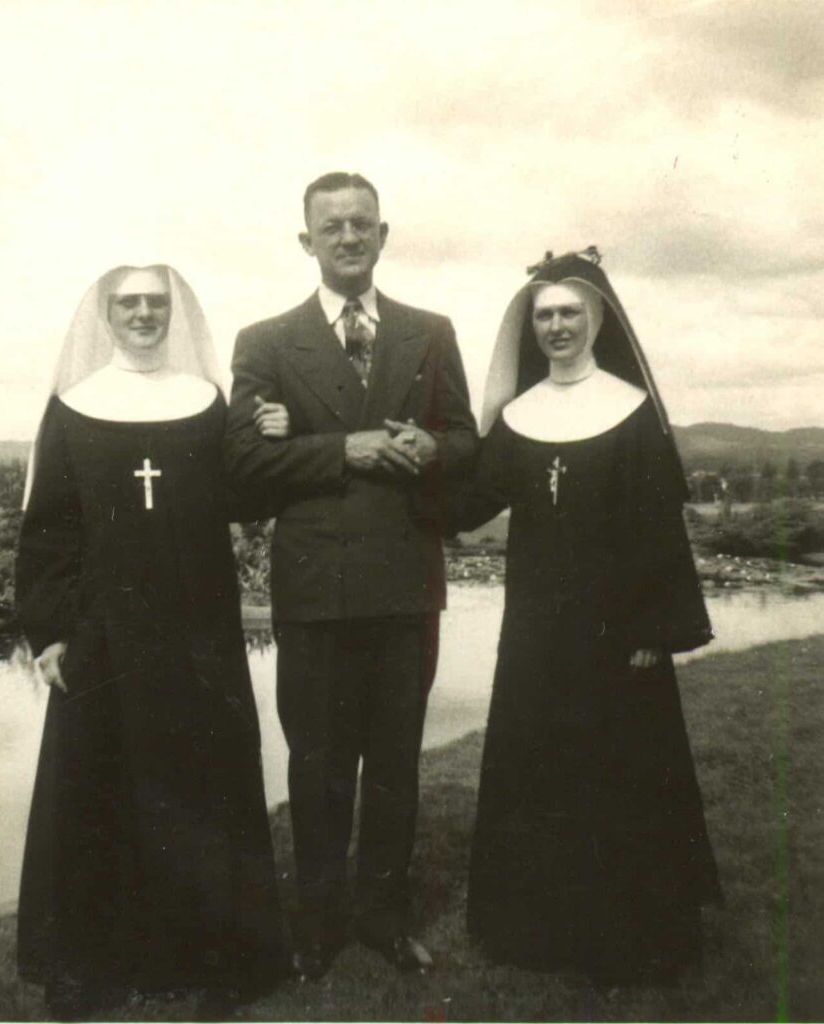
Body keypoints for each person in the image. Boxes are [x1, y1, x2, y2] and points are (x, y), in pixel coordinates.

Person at [225, 173, 478, 978]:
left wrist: (436, 449)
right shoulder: (265, 341)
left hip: (405, 585)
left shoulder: (430, 333)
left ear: (383, 234)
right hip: (316, 591)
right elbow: (241, 466)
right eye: (330, 226)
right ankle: (319, 924)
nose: (347, 237)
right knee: (319, 765)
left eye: (361, 224)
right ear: (307, 241)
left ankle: (384, 919)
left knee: (396, 764)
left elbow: (468, 441)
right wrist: (347, 449)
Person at [15, 265, 285, 1017]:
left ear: (173, 311)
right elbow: (48, 530)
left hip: (198, 630)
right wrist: (50, 633)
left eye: (155, 302)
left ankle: (212, 963)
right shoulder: (73, 407)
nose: (143, 314)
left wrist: (267, 439)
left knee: (202, 792)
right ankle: (94, 965)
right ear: (106, 312)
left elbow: (243, 498)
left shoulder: (205, 404)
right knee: (99, 790)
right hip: (104, 636)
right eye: (129, 302)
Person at [457, 249, 722, 985]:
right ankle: (536, 928)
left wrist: (651, 630)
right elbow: (472, 500)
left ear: (596, 319)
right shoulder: (517, 417)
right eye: (543, 315)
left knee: (621, 772)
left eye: (569, 312)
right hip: (538, 633)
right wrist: (421, 453)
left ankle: (633, 933)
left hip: (616, 634)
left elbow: (658, 533)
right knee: (540, 768)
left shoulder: (630, 412)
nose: (556, 326)